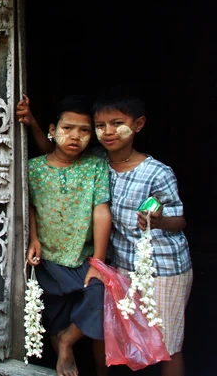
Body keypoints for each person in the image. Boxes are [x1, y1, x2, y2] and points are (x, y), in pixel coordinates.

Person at [92, 91, 191, 376]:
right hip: (120, 264)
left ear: (138, 124)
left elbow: (180, 221)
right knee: (118, 337)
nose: (108, 132)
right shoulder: (97, 164)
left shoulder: (157, 173)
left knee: (166, 345)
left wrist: (158, 222)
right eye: (101, 125)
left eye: (117, 123)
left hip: (162, 268)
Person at [27, 96, 112, 376]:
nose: (75, 136)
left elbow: (101, 210)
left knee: (100, 296)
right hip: (49, 257)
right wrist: (34, 237)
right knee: (53, 315)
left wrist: (98, 263)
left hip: (84, 257)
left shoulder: (95, 166)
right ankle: (62, 353)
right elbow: (29, 205)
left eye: (84, 130)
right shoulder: (33, 168)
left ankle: (67, 342)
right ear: (53, 130)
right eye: (68, 128)